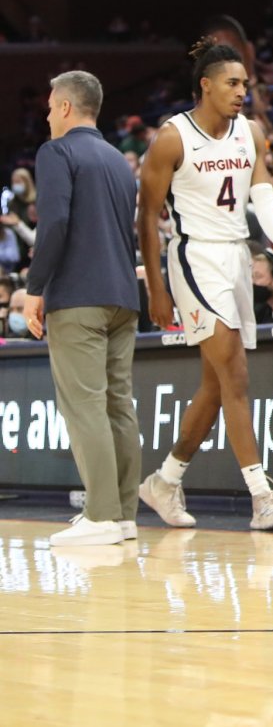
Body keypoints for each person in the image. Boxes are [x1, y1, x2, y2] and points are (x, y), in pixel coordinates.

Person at [137, 38, 273, 532]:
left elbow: (263, 193)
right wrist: (156, 288)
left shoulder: (249, 131)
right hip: (194, 256)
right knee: (235, 373)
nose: (241, 92)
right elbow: (147, 218)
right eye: (232, 83)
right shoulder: (172, 138)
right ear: (205, 85)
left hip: (235, 254)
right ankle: (261, 496)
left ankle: (164, 482)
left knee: (214, 383)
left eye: (245, 84)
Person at [21, 71, 140, 547]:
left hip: (77, 297)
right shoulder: (117, 160)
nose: (48, 114)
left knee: (84, 405)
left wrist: (34, 287)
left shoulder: (57, 151)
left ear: (67, 108)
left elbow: (54, 223)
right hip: (123, 298)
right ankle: (124, 515)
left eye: (51, 106)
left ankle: (101, 514)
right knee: (118, 406)